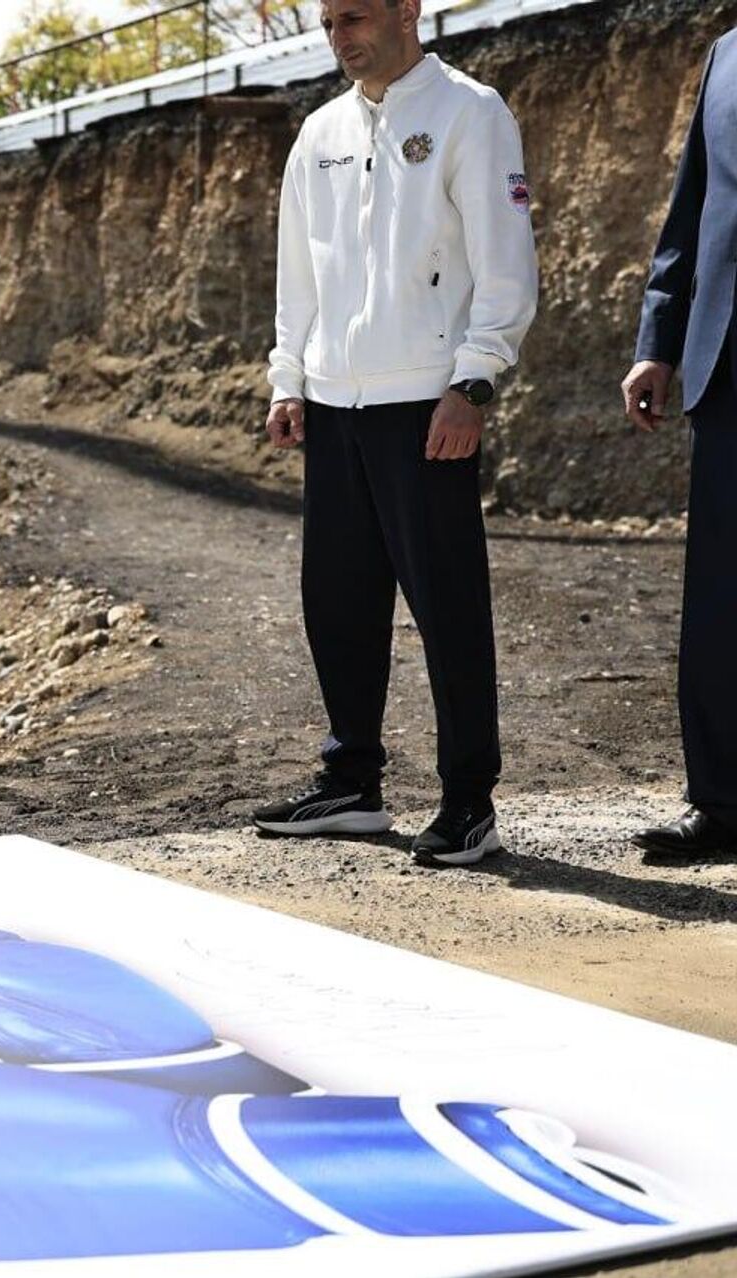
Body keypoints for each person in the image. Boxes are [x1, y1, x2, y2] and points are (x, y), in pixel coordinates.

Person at [253, 0, 538, 866]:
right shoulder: (320, 132)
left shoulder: (470, 112)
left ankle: (468, 801)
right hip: (334, 402)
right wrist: (289, 378)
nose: (341, 37)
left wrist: (474, 378)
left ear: (408, 10)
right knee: (336, 601)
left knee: (448, 607)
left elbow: (504, 261)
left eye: (356, 17)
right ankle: (351, 783)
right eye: (328, 23)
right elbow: (298, 272)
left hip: (426, 403)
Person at [621, 28, 737, 862]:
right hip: (726, 363)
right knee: (721, 602)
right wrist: (657, 342)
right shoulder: (726, 54)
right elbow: (691, 206)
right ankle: (723, 803)